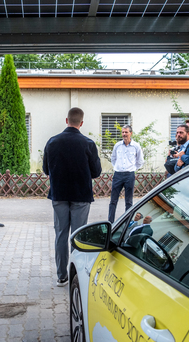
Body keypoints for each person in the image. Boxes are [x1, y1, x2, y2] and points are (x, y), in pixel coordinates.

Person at [43, 107, 102, 287]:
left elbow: (46, 169)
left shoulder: (52, 142)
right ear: (81, 123)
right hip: (81, 195)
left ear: (67, 120)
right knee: (78, 236)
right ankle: (77, 276)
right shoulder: (88, 144)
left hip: (59, 194)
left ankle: (62, 276)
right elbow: (96, 172)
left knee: (61, 234)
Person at [108, 125, 144, 224]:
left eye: (126, 132)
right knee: (113, 200)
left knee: (128, 201)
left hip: (129, 175)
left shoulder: (136, 146)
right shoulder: (117, 145)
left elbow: (140, 161)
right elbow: (113, 159)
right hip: (118, 175)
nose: (124, 134)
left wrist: (132, 169)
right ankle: (110, 222)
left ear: (130, 133)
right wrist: (118, 167)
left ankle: (126, 223)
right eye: (123, 132)